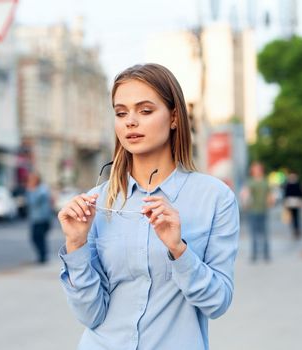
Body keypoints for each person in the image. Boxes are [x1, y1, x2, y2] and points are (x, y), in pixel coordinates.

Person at [57, 63, 240, 349]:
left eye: (145, 111)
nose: (130, 121)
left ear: (174, 117)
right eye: (121, 113)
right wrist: (76, 245)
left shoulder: (215, 198)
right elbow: (89, 314)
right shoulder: (98, 202)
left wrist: (179, 251)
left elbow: (217, 303)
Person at [241, 162, 273, 262]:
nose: (256, 171)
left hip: (263, 210)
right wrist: (245, 204)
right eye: (255, 169)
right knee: (254, 233)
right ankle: (254, 254)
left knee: (264, 233)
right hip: (252, 210)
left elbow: (269, 195)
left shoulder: (265, 182)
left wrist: (270, 202)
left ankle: (266, 254)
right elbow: (245, 195)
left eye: (258, 169)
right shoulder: (250, 182)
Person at [26, 173, 52, 264]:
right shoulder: (38, 189)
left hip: (42, 219)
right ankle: (42, 256)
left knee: (38, 238)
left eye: (31, 180)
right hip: (36, 219)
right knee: (37, 238)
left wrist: (30, 190)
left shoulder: (41, 190)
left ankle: (43, 256)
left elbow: (33, 202)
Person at [283, 172, 302, 240]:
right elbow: (286, 194)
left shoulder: (296, 184)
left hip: (296, 202)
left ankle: (296, 229)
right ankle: (295, 229)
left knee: (296, 217)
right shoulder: (288, 185)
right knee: (292, 217)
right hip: (291, 202)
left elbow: (300, 193)